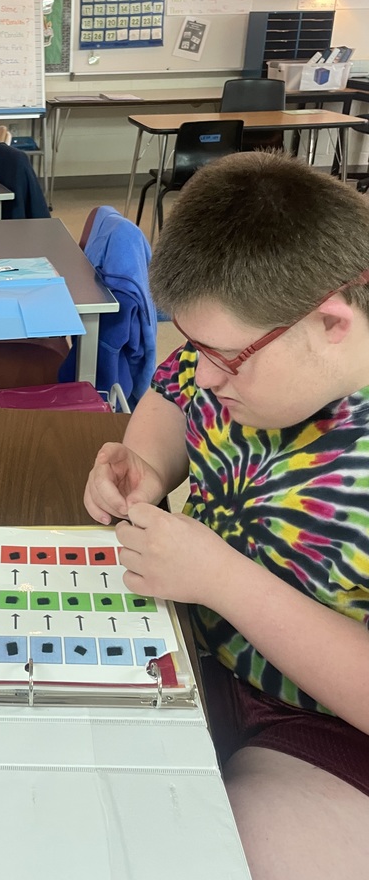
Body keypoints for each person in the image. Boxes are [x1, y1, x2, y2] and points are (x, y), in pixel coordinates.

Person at [84, 151, 369, 880]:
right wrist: (146, 466)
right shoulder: (234, 352)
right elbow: (173, 397)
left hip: (327, 724)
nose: (206, 374)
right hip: (193, 651)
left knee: (207, 854)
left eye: (228, 357)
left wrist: (222, 580)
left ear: (331, 322)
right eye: (194, 345)